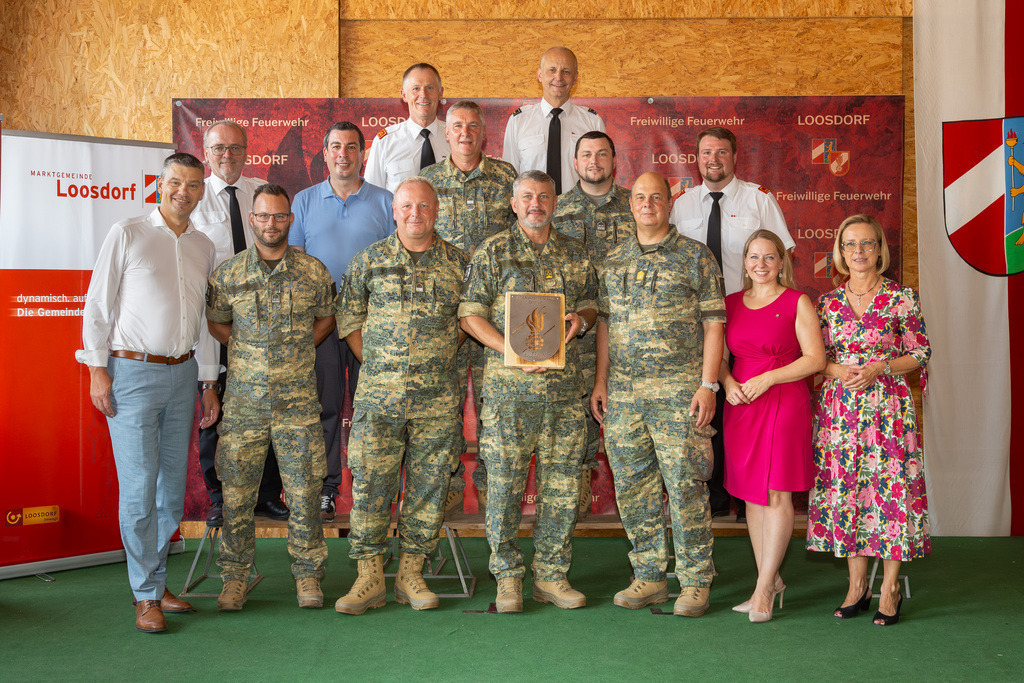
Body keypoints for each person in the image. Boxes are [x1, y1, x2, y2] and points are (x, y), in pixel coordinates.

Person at [76, 152, 219, 633]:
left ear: (203, 190)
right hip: (131, 374)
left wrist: (208, 381)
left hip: (183, 377)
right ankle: (144, 596)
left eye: (194, 184)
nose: (184, 191)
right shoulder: (128, 232)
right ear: (159, 184)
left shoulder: (202, 245)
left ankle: (155, 584)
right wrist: (98, 368)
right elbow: (98, 304)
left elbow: (201, 324)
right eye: (175, 182)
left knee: (170, 495)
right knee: (139, 491)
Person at [460, 170, 598, 613]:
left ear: (555, 203)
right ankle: (507, 577)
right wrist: (510, 349)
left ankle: (552, 576)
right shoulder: (492, 252)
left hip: (563, 395)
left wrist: (582, 320)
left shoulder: (575, 255)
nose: (535, 204)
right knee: (502, 487)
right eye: (526, 197)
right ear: (513, 204)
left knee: (560, 487)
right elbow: (469, 315)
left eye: (543, 196)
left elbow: (594, 304)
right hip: (508, 396)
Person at [591, 172, 724, 618]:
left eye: (656, 197)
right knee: (633, 488)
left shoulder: (695, 257)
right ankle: (649, 576)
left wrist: (708, 385)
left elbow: (713, 325)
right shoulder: (613, 260)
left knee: (685, 488)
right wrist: (601, 381)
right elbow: (605, 324)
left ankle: (694, 581)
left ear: (670, 204)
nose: (647, 204)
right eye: (640, 197)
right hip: (625, 396)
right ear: (631, 205)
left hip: (679, 394)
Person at [334, 177, 468, 615]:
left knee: (429, 489)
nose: (416, 214)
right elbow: (349, 315)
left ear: (436, 210)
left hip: (437, 402)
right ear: (394, 211)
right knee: (372, 485)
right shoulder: (369, 261)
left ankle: (412, 574)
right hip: (379, 400)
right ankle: (369, 577)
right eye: (407, 206)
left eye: (424, 207)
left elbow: (472, 321)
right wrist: (375, 362)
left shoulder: (459, 264)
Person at [207, 184, 335, 611]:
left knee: (303, 492)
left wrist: (295, 349)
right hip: (244, 404)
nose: (271, 224)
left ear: (290, 219)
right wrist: (250, 352)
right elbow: (218, 325)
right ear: (252, 218)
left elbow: (326, 319)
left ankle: (308, 578)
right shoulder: (228, 274)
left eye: (279, 216)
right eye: (263, 216)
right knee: (237, 496)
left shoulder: (313, 272)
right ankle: (234, 579)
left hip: (297, 403)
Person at [806, 214, 931, 627]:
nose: (858, 251)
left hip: (888, 410)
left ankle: (890, 589)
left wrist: (881, 368)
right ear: (840, 252)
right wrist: (837, 371)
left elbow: (920, 353)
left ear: (880, 250)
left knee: (889, 492)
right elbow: (814, 360)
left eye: (867, 244)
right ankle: (857, 586)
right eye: (850, 244)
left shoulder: (902, 297)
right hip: (839, 413)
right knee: (848, 493)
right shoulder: (826, 303)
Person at [670, 126, 797, 521]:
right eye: (706, 152)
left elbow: (781, 259)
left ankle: (748, 497)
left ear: (734, 157)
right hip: (695, 320)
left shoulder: (758, 199)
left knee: (744, 401)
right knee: (705, 397)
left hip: (747, 313)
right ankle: (713, 498)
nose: (713, 159)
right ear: (697, 157)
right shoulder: (681, 205)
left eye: (721, 152)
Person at [290, 121, 396, 521]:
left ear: (363, 154)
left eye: (352, 147)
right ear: (325, 152)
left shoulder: (386, 201)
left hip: (374, 324)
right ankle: (326, 490)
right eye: (336, 146)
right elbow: (296, 263)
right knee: (326, 408)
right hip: (323, 323)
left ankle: (379, 494)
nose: (343, 154)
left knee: (377, 412)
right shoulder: (303, 201)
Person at [719, 229, 825, 623]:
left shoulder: (797, 302)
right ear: (744, 262)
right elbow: (716, 354)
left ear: (782, 262)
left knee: (777, 493)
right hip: (741, 404)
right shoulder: (730, 303)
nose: (760, 265)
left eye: (769, 257)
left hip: (783, 401)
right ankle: (772, 578)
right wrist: (728, 385)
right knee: (751, 496)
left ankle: (763, 590)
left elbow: (814, 359)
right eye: (753, 257)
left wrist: (770, 378)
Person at [421, 99, 518, 512]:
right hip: (441, 315)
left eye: (472, 126)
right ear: (446, 132)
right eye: (457, 125)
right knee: (443, 406)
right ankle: (447, 488)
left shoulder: (505, 177)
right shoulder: (427, 180)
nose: (464, 133)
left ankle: (495, 493)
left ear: (484, 132)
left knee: (495, 409)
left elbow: (521, 240)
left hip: (494, 315)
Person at [193, 119, 288, 527]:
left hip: (260, 326)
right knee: (215, 413)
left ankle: (268, 494)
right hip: (211, 322)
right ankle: (219, 496)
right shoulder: (193, 199)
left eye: (235, 148)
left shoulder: (259, 192)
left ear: (247, 150)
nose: (227, 156)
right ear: (206, 151)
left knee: (266, 413)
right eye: (218, 149)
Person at [553, 131, 635, 520]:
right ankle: (580, 486)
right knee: (575, 416)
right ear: (575, 162)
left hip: (629, 331)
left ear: (614, 161)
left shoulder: (635, 205)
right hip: (574, 334)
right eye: (586, 154)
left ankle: (635, 498)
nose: (594, 160)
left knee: (626, 417)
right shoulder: (557, 208)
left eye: (603, 153)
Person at [502, 47, 605, 194]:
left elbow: (600, 177)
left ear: (575, 78)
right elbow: (509, 179)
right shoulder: (518, 122)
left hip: (579, 214)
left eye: (566, 71)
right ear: (540, 75)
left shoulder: (592, 123)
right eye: (552, 70)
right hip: (534, 213)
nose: (558, 77)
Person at [364, 63, 450, 193]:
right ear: (404, 95)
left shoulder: (456, 137)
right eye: (415, 88)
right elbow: (372, 198)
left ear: (440, 93)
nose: (423, 95)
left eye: (430, 87)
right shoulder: (385, 142)